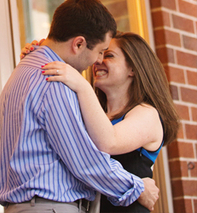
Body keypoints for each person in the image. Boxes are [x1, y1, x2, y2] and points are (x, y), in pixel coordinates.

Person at [0, 0, 159, 213]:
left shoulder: (25, 71)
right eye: (101, 51)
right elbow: (86, 161)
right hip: (49, 207)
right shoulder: (54, 79)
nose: (98, 60)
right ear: (79, 43)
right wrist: (138, 187)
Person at [39, 32, 179, 213]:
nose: (98, 61)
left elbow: (108, 142)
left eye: (109, 55)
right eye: (100, 54)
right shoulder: (96, 115)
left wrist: (81, 85)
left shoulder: (147, 113)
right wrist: (43, 50)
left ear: (133, 69)